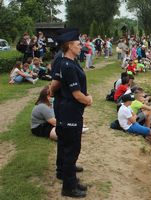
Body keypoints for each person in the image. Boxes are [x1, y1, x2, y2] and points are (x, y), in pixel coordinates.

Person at [54, 29, 93, 198]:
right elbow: (77, 94)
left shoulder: (70, 62)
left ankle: (68, 176)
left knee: (66, 146)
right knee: (72, 149)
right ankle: (69, 187)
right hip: (70, 112)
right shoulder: (67, 65)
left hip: (67, 111)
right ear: (70, 46)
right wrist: (88, 100)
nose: (80, 46)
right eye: (78, 44)